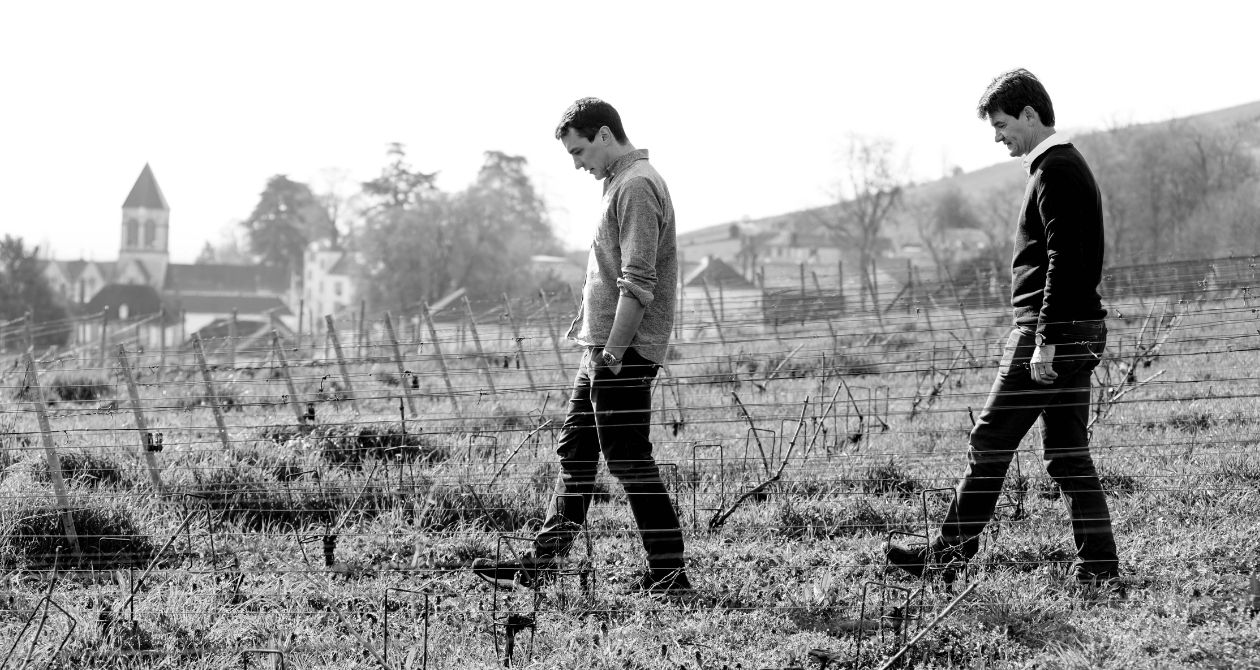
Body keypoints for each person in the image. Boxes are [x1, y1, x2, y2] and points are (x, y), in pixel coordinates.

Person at [884, 69, 1120, 590]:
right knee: (1066, 455)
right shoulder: (1060, 166)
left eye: (1002, 124)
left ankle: (949, 556)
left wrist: (1044, 340)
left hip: (1050, 331)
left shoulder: (1056, 170)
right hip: (1074, 329)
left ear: (1030, 115)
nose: (998, 137)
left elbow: (1063, 261)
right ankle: (1099, 566)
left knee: (988, 442)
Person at [473, 97, 690, 595]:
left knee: (629, 458)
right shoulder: (621, 181)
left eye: (579, 151)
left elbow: (638, 281)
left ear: (606, 136)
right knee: (576, 451)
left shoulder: (635, 186)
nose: (576, 164)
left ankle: (669, 575)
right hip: (603, 350)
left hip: (623, 352)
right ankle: (543, 563)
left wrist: (612, 354)